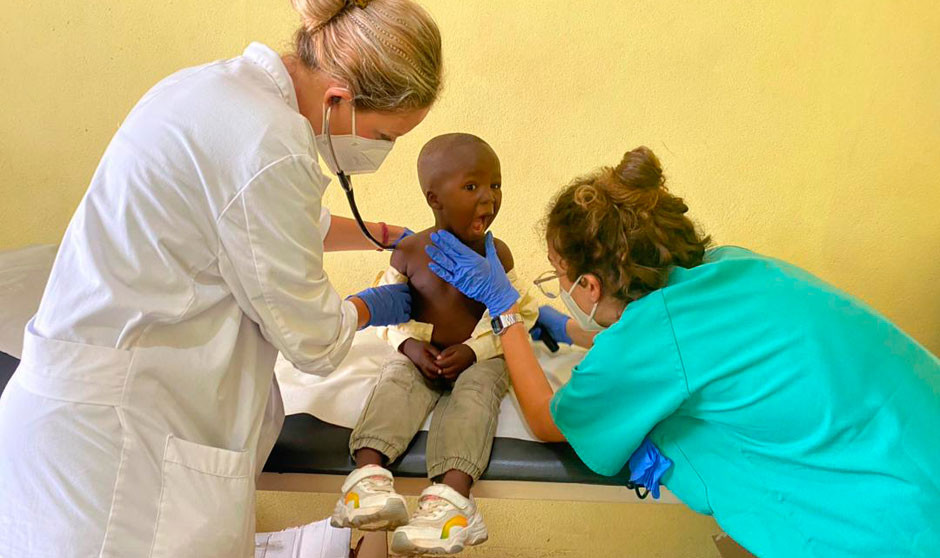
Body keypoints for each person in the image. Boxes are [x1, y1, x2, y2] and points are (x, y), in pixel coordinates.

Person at [0, 0, 443, 556]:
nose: (383, 150)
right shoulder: (270, 144)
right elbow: (314, 339)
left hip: (75, 418)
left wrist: (384, 233)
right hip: (116, 454)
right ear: (339, 100)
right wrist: (383, 304)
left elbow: (244, 220)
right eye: (385, 135)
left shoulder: (209, 92)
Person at [425, 146, 940, 557]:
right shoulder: (729, 265)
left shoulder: (652, 339)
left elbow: (545, 418)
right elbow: (690, 350)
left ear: (589, 286)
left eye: (557, 275)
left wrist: (505, 309)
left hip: (891, 521)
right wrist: (560, 326)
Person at [331, 134, 537, 555]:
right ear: (434, 197)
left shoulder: (498, 255)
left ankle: (451, 502)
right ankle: (368, 481)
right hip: (423, 357)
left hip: (478, 356)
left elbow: (520, 313)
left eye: (495, 185)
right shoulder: (408, 252)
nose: (488, 198)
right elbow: (389, 313)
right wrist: (410, 347)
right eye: (471, 187)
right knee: (394, 380)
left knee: (478, 392)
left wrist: (474, 350)